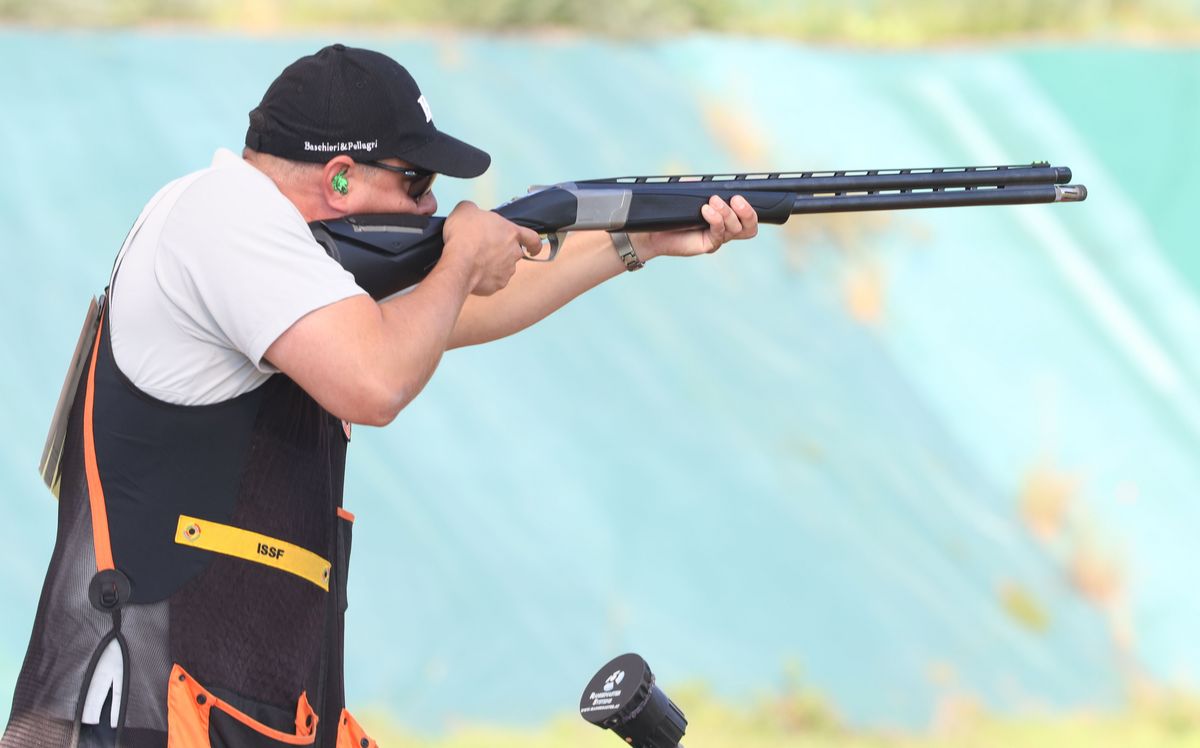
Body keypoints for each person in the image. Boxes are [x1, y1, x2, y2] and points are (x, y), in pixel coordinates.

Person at [2, 44, 758, 748]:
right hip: (137, 707)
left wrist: (636, 239)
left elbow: (443, 319)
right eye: (417, 183)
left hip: (221, 710)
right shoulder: (222, 213)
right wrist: (460, 259)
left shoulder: (278, 256)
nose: (432, 209)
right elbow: (376, 379)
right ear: (339, 177)